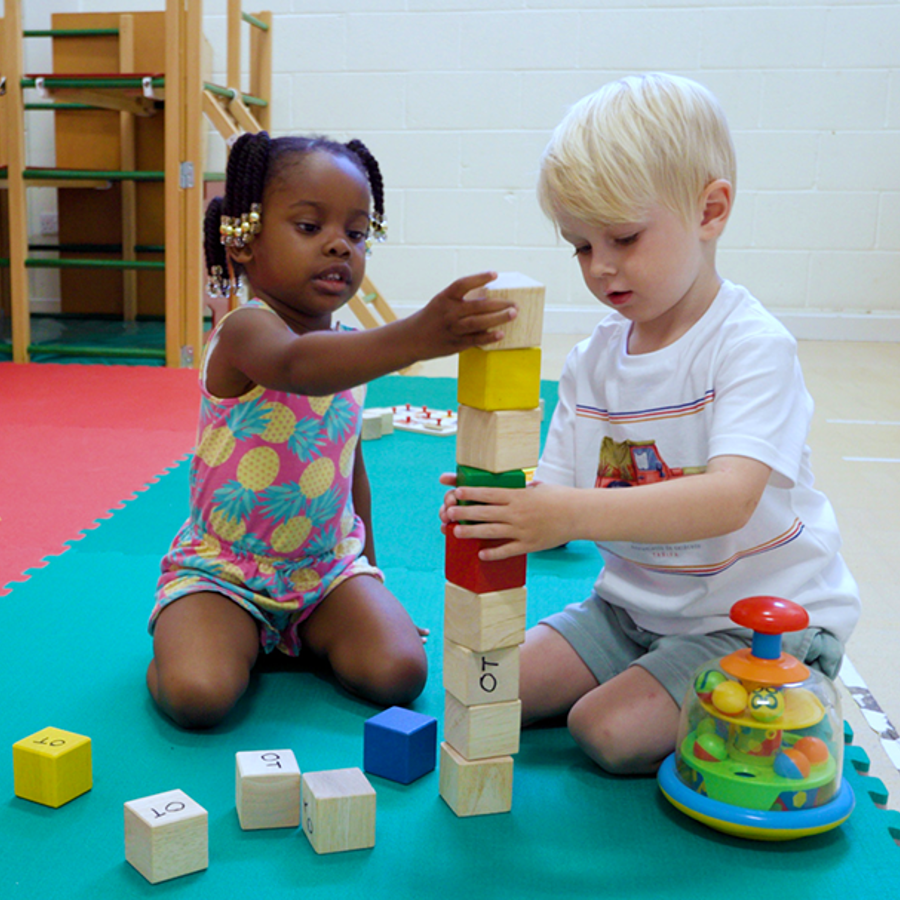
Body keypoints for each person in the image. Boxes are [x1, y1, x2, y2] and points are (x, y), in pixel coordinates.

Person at [441, 73, 860, 775]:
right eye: (579, 246)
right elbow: (561, 492)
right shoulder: (592, 360)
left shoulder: (750, 345)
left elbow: (729, 498)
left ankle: (804, 681)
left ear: (711, 210)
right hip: (629, 613)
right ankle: (653, 675)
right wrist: (501, 504)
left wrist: (562, 514)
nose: (601, 267)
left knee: (602, 730)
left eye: (624, 237)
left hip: (749, 620)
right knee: (487, 689)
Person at [149, 131, 517, 729]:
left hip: (323, 571)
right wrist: (422, 333)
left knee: (402, 672)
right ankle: (198, 632)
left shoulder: (348, 351)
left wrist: (369, 571)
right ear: (244, 241)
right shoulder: (248, 331)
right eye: (309, 227)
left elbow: (349, 469)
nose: (339, 247)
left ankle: (294, 633)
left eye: (356, 232)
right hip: (225, 571)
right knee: (198, 695)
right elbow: (299, 369)